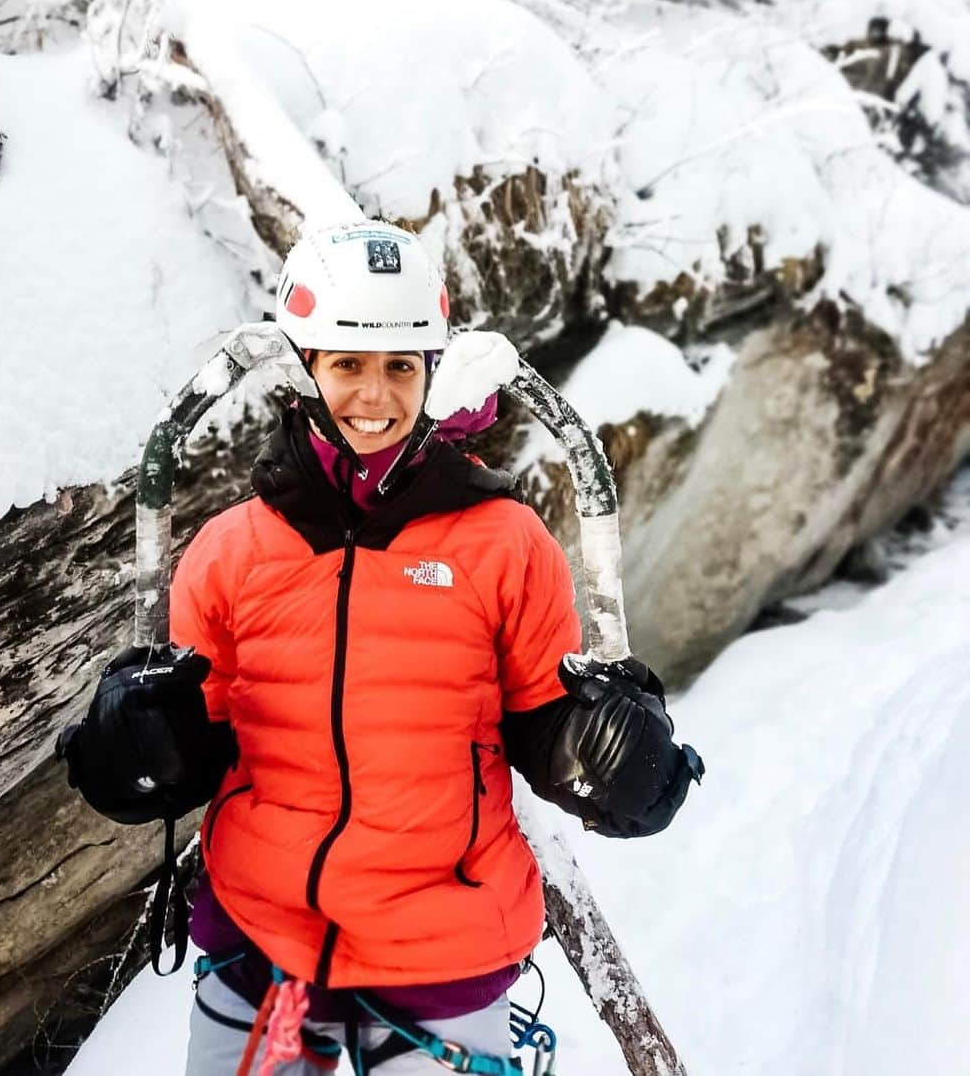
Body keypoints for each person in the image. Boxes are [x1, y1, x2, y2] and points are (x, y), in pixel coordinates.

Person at [61, 220, 701, 1076]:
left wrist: (615, 762)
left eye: (401, 365)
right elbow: (198, 744)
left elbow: (546, 725)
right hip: (266, 957)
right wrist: (131, 750)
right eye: (348, 363)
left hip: (443, 955)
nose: (374, 393)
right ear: (302, 369)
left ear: (434, 373)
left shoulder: (503, 544)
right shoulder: (230, 551)